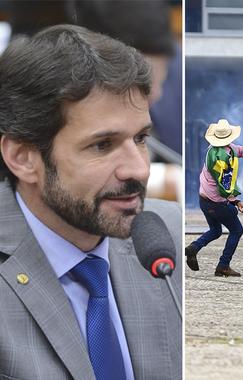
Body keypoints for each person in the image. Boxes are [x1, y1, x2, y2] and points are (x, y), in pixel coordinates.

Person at [0, 25, 181, 379]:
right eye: (102, 145)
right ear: (22, 158)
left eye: (141, 138)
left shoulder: (167, 237)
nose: (139, 168)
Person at [185, 119, 243, 277]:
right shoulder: (219, 160)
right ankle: (223, 265)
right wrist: (236, 201)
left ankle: (193, 248)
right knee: (237, 230)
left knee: (216, 230)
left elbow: (241, 150)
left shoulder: (223, 148)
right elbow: (224, 186)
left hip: (204, 200)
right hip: (216, 202)